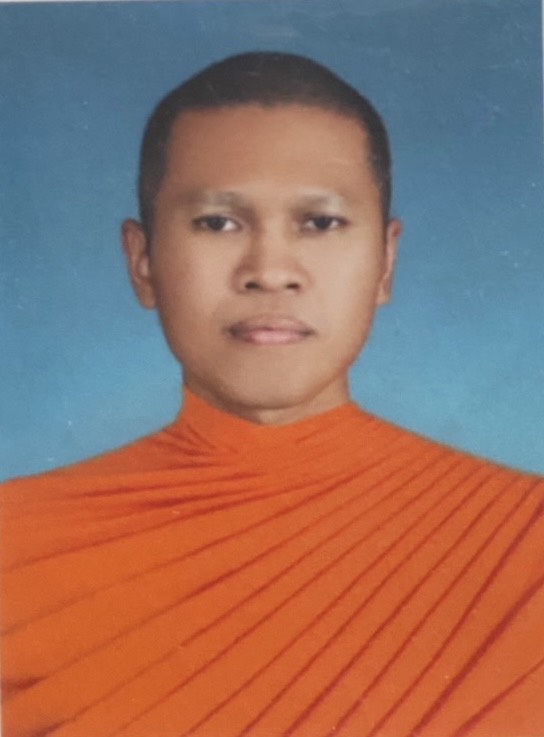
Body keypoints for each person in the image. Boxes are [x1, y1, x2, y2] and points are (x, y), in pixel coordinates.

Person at [1, 51, 543, 737]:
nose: (269, 271)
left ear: (385, 262)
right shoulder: (17, 540)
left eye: (320, 222)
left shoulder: (525, 540)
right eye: (217, 223)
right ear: (143, 263)